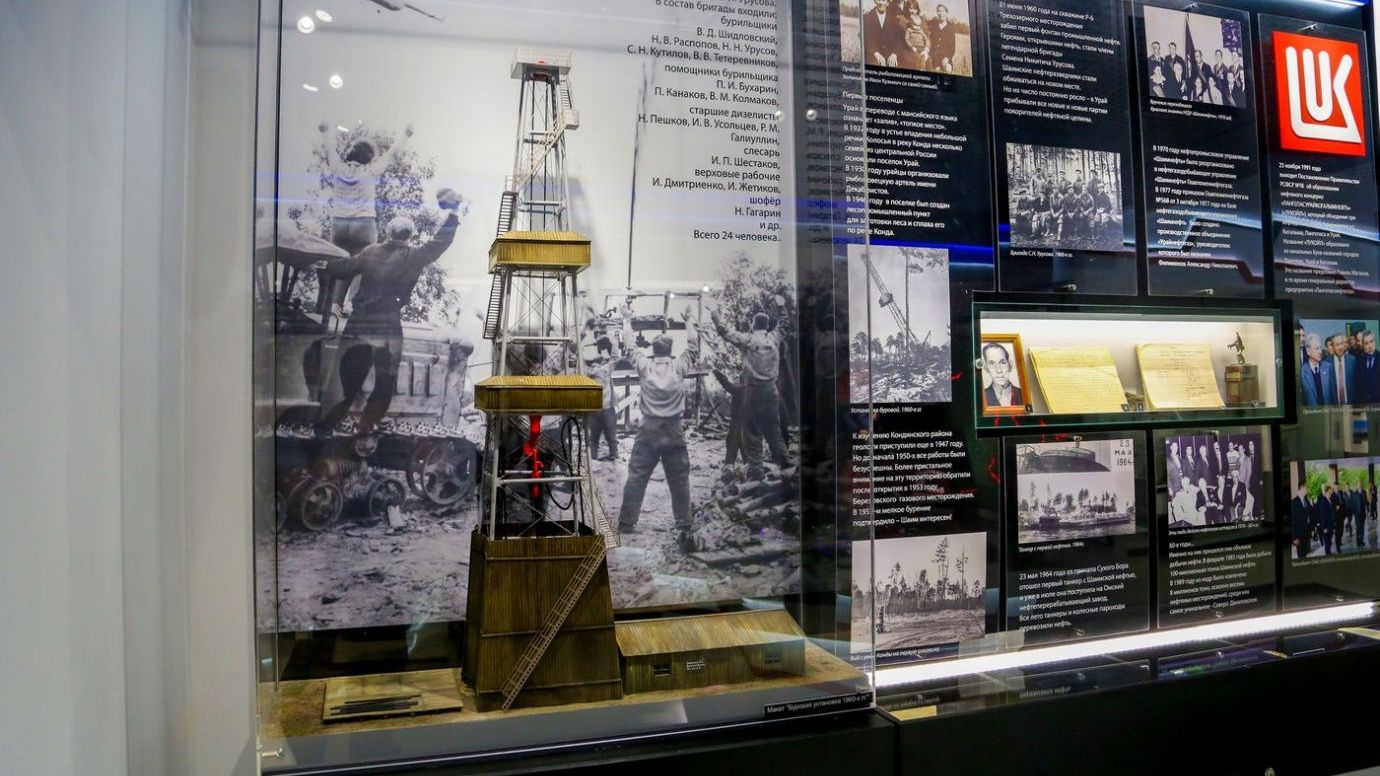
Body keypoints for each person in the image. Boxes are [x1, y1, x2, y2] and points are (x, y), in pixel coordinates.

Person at [317, 189, 460, 434]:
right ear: (410, 236)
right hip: (387, 327)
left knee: (347, 380)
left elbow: (343, 268)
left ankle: (325, 428)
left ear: (387, 232)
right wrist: (453, 213)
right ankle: (366, 427)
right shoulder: (414, 256)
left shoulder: (370, 252)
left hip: (359, 324)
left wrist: (323, 264)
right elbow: (440, 243)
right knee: (385, 382)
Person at [618, 306, 699, 550]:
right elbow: (693, 347)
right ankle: (684, 523)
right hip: (673, 429)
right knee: (679, 478)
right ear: (670, 350)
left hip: (648, 429)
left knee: (637, 476)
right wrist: (689, 319)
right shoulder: (679, 367)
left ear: (653, 351)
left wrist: (626, 319)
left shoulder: (645, 366)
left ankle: (626, 523)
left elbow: (629, 345)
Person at [315, 120, 414, 311]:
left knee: (343, 262)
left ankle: (335, 304)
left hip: (339, 223)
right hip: (363, 222)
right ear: (368, 157)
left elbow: (329, 149)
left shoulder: (338, 168)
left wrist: (325, 131)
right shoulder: (370, 171)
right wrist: (406, 134)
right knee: (365, 262)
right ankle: (353, 303)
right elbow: (392, 154)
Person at [712, 308, 791, 478]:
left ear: (753, 325)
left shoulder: (747, 339)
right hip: (771, 390)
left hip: (753, 391)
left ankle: (756, 471)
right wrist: (781, 307)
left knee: (752, 433)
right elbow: (785, 324)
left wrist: (715, 316)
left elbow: (726, 332)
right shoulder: (774, 338)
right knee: (774, 430)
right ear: (767, 326)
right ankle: (786, 465)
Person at [585, 350, 619, 461]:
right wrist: (614, 344)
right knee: (611, 434)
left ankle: (593, 456)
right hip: (606, 407)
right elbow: (615, 359)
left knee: (594, 437)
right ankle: (613, 454)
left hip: (593, 409)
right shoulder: (605, 369)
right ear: (602, 361)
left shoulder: (587, 372)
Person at [863, 0, 905, 67]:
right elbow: (867, 38)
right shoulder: (867, 18)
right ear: (875, 1)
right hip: (873, 54)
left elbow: (899, 39)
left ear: (887, 3)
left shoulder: (894, 19)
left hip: (890, 55)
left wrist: (894, 54)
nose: (881, 3)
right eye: (878, 0)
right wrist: (876, 54)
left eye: (883, 0)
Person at [1300, 332, 1337, 406]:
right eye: (1317, 349)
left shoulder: (1328, 367)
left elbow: (1333, 396)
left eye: (1320, 348)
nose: (1320, 351)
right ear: (1308, 351)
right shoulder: (1302, 371)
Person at [982, 342, 1022, 408]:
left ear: (1010, 365)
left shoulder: (1022, 394)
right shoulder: (981, 396)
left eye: (1002, 362)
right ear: (986, 368)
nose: (998, 370)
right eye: (992, 363)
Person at [926, 3, 957, 73]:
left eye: (942, 11)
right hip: (934, 56)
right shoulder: (934, 27)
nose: (940, 13)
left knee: (948, 69)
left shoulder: (950, 29)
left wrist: (947, 58)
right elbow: (930, 43)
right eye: (938, 11)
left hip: (946, 57)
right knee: (937, 70)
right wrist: (929, 54)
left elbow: (952, 48)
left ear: (946, 13)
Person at [1326, 333, 1356, 404]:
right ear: (1333, 347)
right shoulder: (1327, 363)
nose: (1340, 347)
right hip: (1335, 406)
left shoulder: (1352, 360)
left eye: (1341, 344)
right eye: (1337, 345)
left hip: (1351, 404)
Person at [1355, 331, 1379, 404]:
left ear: (1375, 342)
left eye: (1371, 341)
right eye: (1366, 343)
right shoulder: (1359, 362)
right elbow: (1358, 387)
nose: (1369, 346)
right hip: (1365, 405)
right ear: (1363, 346)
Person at [1291, 483, 1314, 559]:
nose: (1307, 490)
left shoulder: (1306, 501)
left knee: (1305, 554)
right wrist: (1294, 538)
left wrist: (1311, 529)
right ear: (1302, 488)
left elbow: (1309, 516)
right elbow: (1292, 521)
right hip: (1299, 536)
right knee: (1301, 556)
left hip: (1306, 534)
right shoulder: (1294, 502)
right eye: (1306, 488)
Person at [1319, 484, 1337, 554]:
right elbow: (1322, 516)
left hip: (1330, 525)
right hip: (1326, 526)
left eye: (1331, 492)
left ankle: (1329, 553)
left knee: (1329, 542)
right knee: (1327, 543)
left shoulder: (1329, 499)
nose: (1330, 493)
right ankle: (1328, 555)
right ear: (1326, 492)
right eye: (1329, 492)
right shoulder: (1323, 501)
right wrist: (1324, 528)